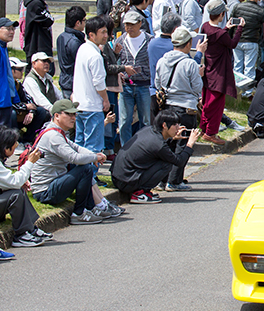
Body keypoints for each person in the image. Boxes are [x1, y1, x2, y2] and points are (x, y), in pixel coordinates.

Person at [31, 99, 121, 224]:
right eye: (68, 114)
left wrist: (94, 155)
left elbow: (77, 148)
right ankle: (78, 213)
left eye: (74, 114)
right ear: (57, 116)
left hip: (54, 183)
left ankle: (93, 207)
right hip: (45, 191)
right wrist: (95, 157)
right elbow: (74, 157)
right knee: (85, 169)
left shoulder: (58, 132)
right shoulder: (53, 136)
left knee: (83, 165)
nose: (73, 117)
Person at [111, 109, 201, 203]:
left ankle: (142, 190)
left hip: (119, 176)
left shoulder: (148, 130)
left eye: (178, 124)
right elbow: (179, 161)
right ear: (164, 125)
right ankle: (139, 193)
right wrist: (190, 144)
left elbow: (160, 150)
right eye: (175, 125)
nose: (178, 128)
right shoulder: (158, 144)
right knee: (166, 164)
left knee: (164, 160)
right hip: (126, 182)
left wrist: (173, 138)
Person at [154, 26, 206, 190]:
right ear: (188, 43)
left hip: (167, 107)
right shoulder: (190, 64)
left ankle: (163, 179)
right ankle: (174, 180)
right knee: (182, 144)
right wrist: (200, 75)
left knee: (167, 143)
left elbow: (157, 83)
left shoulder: (162, 61)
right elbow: (197, 87)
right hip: (185, 108)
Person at [0, 126, 52, 251]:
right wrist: (30, 162)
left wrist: (19, 182)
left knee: (17, 190)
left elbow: (7, 180)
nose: (16, 146)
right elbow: (15, 182)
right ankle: (21, 235)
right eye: (14, 146)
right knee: (15, 194)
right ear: (6, 148)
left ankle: (31, 229)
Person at [199, 0, 243, 145]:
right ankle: (211, 132)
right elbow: (232, 44)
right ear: (221, 14)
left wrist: (226, 28)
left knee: (207, 101)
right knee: (216, 103)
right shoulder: (220, 33)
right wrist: (239, 28)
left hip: (209, 69)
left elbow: (217, 37)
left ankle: (205, 129)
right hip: (219, 72)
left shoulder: (205, 27)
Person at [72, 17, 110, 153]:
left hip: (79, 104)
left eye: (106, 32)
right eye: (102, 32)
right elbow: (99, 83)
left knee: (80, 144)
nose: (106, 36)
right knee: (93, 147)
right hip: (92, 107)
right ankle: (90, 174)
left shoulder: (82, 48)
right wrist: (106, 100)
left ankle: (80, 173)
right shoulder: (95, 55)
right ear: (91, 35)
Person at [116, 11, 153, 146]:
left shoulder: (149, 40)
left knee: (146, 120)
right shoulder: (121, 40)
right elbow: (116, 60)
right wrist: (120, 70)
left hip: (144, 84)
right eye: (126, 25)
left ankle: (144, 148)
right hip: (126, 85)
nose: (129, 28)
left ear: (139, 24)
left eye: (132, 25)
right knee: (124, 120)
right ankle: (125, 149)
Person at [230, 0, 264, 82]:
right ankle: (247, 92)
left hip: (237, 40)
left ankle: (236, 89)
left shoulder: (237, 7)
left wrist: (230, 39)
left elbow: (231, 23)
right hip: (251, 40)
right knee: (249, 68)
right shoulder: (261, 11)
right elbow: (262, 29)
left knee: (237, 66)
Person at [8, 57, 49, 144]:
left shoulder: (18, 83)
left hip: (20, 115)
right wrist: (25, 106)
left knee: (40, 111)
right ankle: (16, 142)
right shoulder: (3, 85)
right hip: (7, 118)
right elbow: (7, 104)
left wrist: (31, 111)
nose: (23, 71)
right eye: (20, 69)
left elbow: (28, 99)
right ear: (11, 70)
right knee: (11, 113)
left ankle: (28, 140)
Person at [23, 0, 55, 75]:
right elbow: (48, 20)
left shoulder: (38, 2)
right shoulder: (35, 4)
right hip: (37, 44)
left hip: (40, 42)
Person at [56, 7, 86, 99]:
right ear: (78, 23)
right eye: (84, 20)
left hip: (65, 80)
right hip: (74, 83)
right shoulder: (74, 42)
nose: (85, 23)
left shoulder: (61, 37)